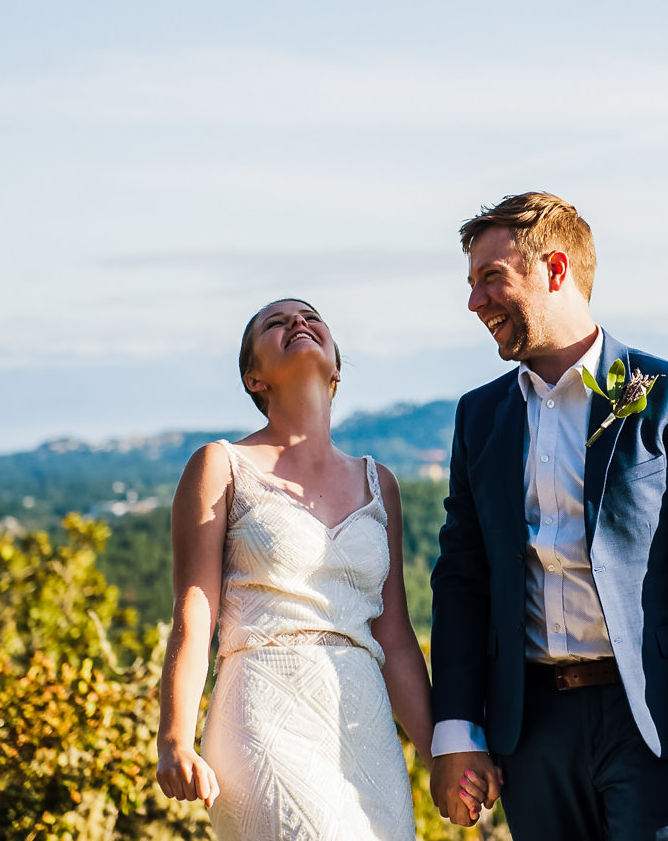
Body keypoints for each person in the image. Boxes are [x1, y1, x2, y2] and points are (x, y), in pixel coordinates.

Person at [428, 192, 668, 840]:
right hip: (532, 727)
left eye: (492, 278)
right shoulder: (479, 417)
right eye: (470, 284)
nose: (474, 302)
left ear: (555, 269)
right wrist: (457, 730)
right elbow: (461, 583)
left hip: (652, 725)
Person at [155, 298, 452, 840]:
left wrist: (440, 756)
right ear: (254, 377)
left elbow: (395, 636)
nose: (298, 323)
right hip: (262, 708)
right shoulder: (220, 465)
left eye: (312, 318)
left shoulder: (379, 483)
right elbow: (193, 615)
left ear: (335, 366)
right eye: (276, 323)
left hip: (362, 726)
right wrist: (175, 737)